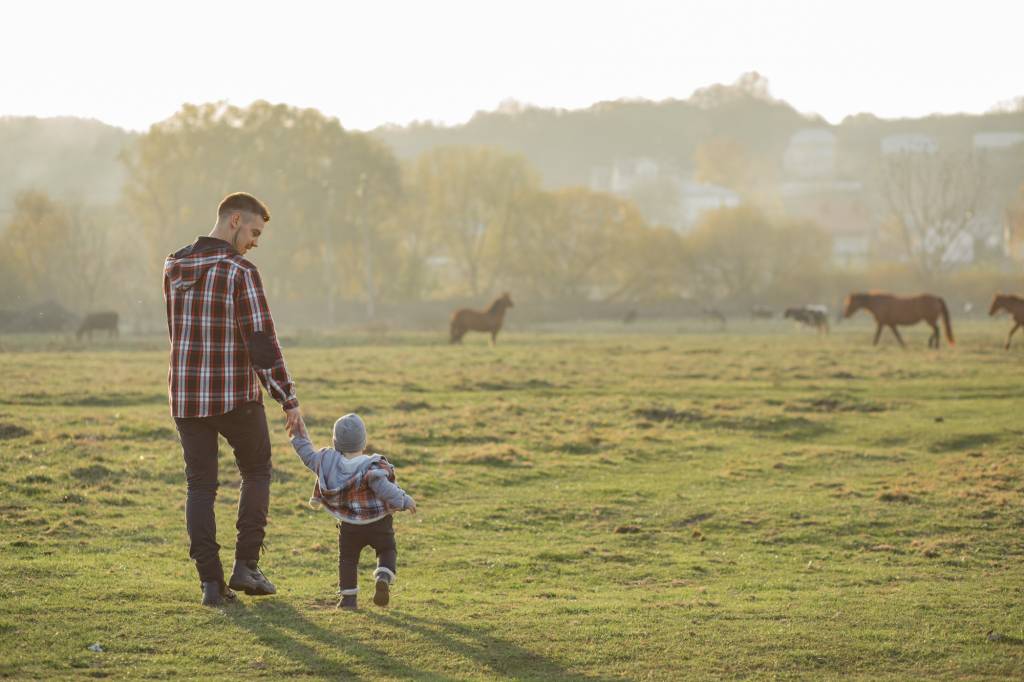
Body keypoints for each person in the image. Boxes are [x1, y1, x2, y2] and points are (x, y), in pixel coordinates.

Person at [164, 192, 304, 606]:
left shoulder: (174, 267)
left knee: (200, 487)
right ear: (235, 220)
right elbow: (260, 341)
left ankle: (211, 584)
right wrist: (288, 398)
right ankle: (247, 566)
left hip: (187, 396)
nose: (255, 242)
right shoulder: (240, 271)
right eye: (254, 232)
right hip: (235, 395)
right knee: (257, 471)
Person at [289, 413, 416, 610]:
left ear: (335, 442)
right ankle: (383, 576)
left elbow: (307, 455)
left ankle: (348, 600)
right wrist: (404, 500)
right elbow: (384, 488)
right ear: (363, 442)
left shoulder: (328, 463)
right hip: (379, 523)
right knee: (387, 549)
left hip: (349, 526)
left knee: (347, 560)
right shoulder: (371, 465)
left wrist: (298, 434)